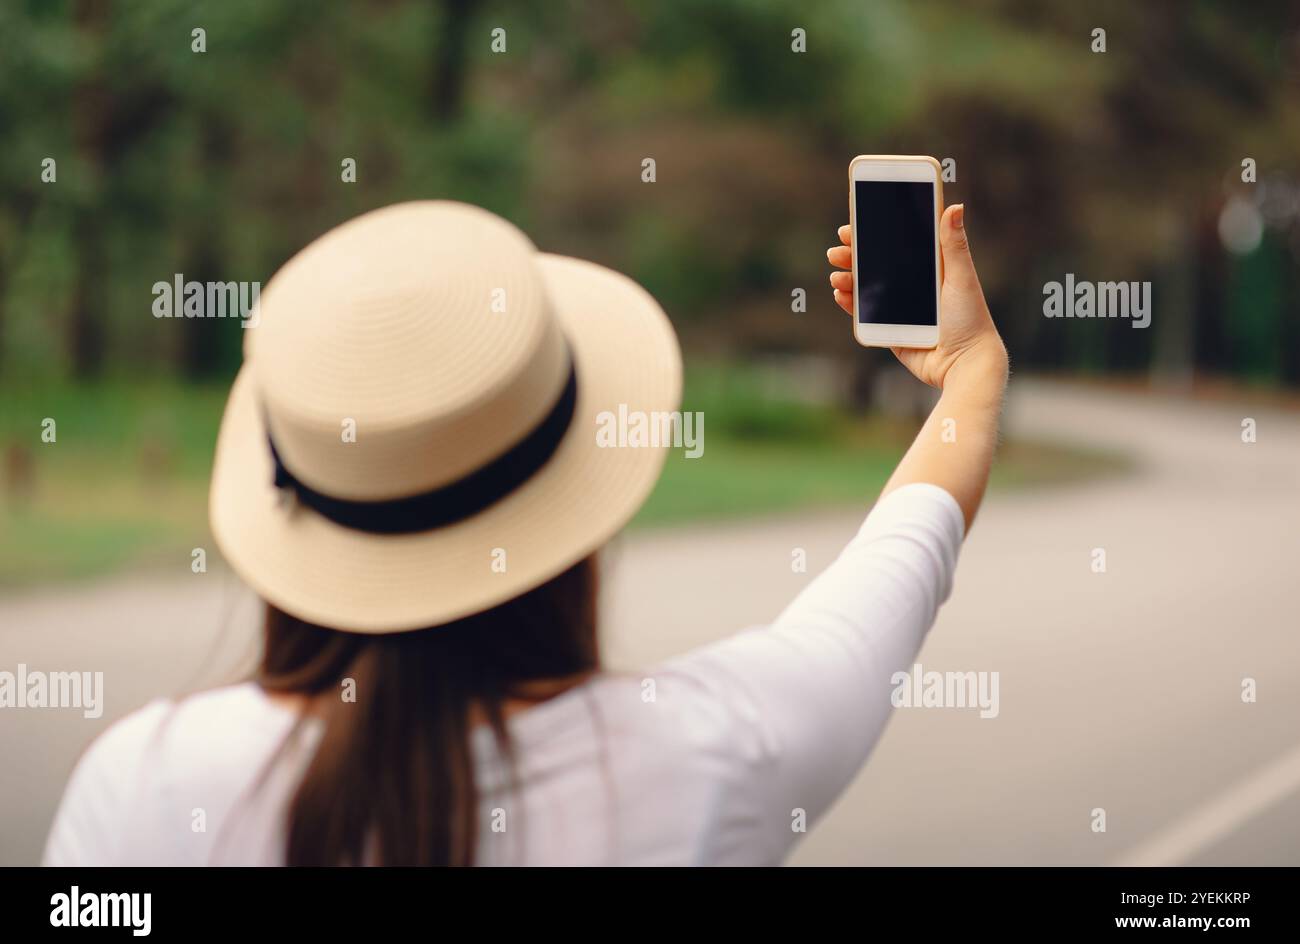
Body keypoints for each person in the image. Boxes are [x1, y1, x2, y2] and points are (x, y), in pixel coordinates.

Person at [43, 199, 1007, 866]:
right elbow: (897, 566)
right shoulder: (717, 757)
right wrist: (967, 371)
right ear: (574, 503)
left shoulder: (139, 788)